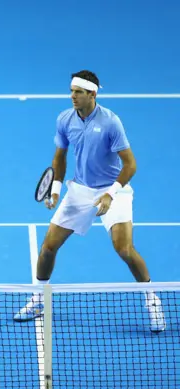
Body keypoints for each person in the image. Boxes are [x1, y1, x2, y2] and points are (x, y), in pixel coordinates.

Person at [13, 70, 166, 333]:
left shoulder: (110, 122)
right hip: (80, 190)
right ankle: (39, 298)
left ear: (92, 94)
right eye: (71, 91)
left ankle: (152, 299)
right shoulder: (65, 119)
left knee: (124, 249)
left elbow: (130, 165)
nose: (72, 96)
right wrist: (56, 190)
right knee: (48, 246)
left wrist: (111, 193)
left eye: (78, 92)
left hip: (113, 189)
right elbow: (59, 157)